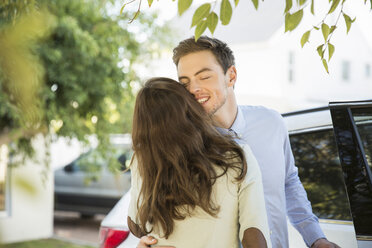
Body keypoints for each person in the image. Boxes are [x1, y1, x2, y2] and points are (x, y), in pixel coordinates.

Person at [136, 37, 341, 248]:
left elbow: (289, 182)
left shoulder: (271, 123)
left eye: (204, 77)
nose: (193, 89)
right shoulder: (180, 145)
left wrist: (316, 239)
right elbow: (151, 207)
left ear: (231, 76)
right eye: (185, 82)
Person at [127, 77, 272, 248]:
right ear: (190, 109)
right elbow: (254, 234)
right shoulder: (236, 156)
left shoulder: (143, 159)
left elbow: (136, 226)